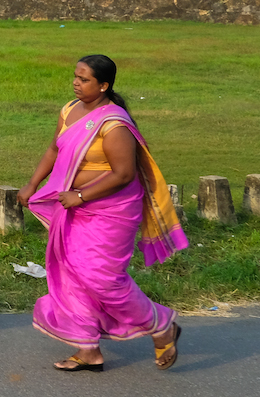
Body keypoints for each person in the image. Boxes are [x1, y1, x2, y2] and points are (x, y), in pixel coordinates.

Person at [18, 54, 188, 373]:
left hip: (112, 211)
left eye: (84, 80)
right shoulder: (69, 110)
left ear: (104, 85)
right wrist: (32, 183)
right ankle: (88, 349)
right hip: (73, 208)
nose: (76, 83)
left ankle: (161, 323)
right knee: (72, 273)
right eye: (75, 77)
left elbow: (123, 173)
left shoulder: (114, 123)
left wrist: (81, 195)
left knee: (104, 280)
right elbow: (54, 148)